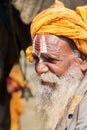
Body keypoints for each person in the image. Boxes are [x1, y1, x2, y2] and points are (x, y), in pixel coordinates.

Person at [26, 0, 87, 130]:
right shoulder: (66, 94)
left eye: (50, 59)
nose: (38, 68)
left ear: (83, 61)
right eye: (36, 59)